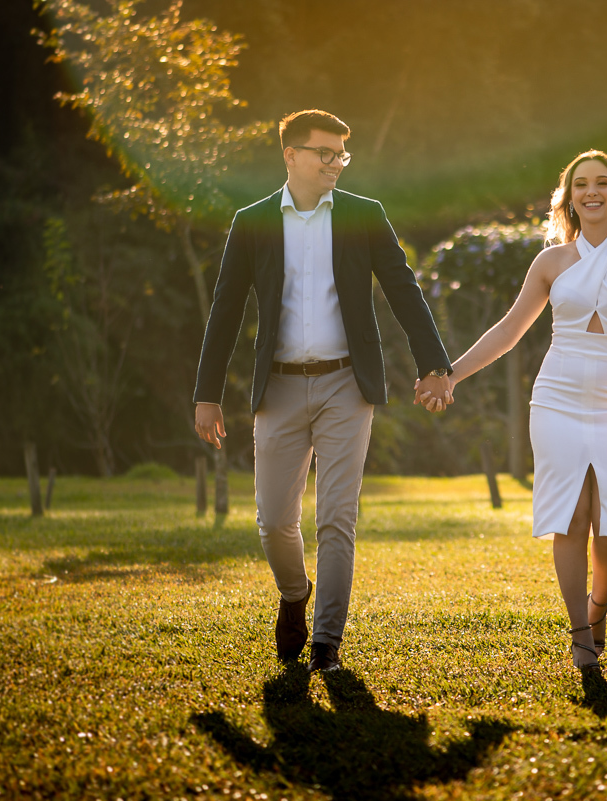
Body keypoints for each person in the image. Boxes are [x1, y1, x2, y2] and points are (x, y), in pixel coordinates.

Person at [194, 109, 453, 673]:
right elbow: (226, 310)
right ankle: (294, 594)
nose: (336, 163)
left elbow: (404, 289)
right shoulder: (253, 221)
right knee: (273, 521)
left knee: (337, 518)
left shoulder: (364, 215)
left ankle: (326, 644)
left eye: (342, 154)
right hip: (279, 389)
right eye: (325, 153)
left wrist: (435, 364)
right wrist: (206, 392)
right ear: (291, 155)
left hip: (346, 385)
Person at [418, 150, 607, 667]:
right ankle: (581, 635)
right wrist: (449, 374)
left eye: (602, 183)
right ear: (568, 197)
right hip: (556, 399)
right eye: (581, 184)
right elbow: (510, 331)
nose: (592, 192)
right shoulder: (550, 262)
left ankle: (598, 606)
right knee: (571, 516)